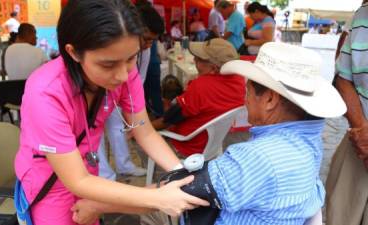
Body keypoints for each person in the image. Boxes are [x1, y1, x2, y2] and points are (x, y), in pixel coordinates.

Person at [13, 1, 209, 225]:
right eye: (108, 65)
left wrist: (182, 172)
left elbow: (144, 131)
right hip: (50, 183)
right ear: (74, 52)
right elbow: (77, 180)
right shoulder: (45, 93)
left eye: (131, 58)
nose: (124, 75)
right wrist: (156, 198)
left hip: (88, 173)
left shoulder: (125, 70)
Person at [142, 42, 347, 225]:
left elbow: (176, 192)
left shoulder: (258, 158)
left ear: (269, 100)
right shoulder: (311, 140)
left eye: (247, 91)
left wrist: (120, 197)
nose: (245, 99)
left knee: (150, 213)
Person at [97, 4, 166, 180]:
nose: (149, 44)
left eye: (153, 41)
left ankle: (124, 165)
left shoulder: (146, 50)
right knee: (95, 130)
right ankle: (104, 175)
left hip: (119, 92)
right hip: (98, 89)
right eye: (147, 39)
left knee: (118, 126)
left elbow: (138, 78)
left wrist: (130, 105)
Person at [151, 38, 246, 157]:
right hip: (213, 142)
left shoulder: (200, 87)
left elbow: (168, 120)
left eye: (199, 59)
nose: (194, 59)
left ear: (214, 69)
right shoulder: (239, 81)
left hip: (189, 144)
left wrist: (144, 128)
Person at [325, 1, 368, 225]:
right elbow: (344, 76)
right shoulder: (363, 15)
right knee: (340, 212)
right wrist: (362, 131)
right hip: (360, 139)